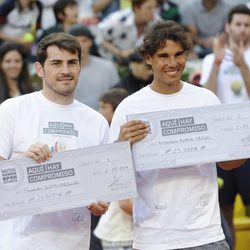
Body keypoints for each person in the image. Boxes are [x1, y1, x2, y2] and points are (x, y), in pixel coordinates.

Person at [109, 20, 246, 249]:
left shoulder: (206, 100)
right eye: (163, 56)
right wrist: (121, 146)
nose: (173, 63)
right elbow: (114, 179)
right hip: (152, 237)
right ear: (148, 59)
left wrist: (242, 143)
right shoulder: (129, 107)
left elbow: (228, 163)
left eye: (179, 54)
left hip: (205, 233)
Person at [0, 32, 109, 250]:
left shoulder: (96, 121)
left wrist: (102, 202)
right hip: (21, 242)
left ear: (80, 67)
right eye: (56, 63)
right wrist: (22, 162)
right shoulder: (12, 110)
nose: (66, 71)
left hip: (74, 242)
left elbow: (104, 186)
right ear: (39, 69)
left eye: (72, 63)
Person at [200, 4, 250, 248]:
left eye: (246, 25)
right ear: (228, 26)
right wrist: (219, 63)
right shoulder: (212, 57)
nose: (241, 29)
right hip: (221, 142)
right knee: (225, 204)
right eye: (237, 24)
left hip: (248, 140)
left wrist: (242, 66)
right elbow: (207, 97)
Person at [69, 23, 120, 110]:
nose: (80, 45)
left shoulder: (107, 67)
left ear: (91, 42)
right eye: (76, 41)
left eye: (84, 41)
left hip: (102, 119)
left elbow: (117, 97)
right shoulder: (63, 70)